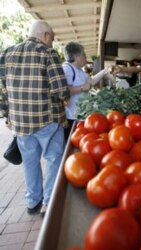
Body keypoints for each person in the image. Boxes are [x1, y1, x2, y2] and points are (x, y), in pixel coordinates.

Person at [0, 20, 70, 217]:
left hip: (21, 122)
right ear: (46, 36)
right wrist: (65, 97)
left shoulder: (7, 53)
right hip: (47, 119)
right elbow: (60, 89)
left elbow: (3, 91)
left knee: (30, 162)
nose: (52, 44)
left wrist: (7, 115)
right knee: (53, 159)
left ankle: (32, 201)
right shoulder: (47, 53)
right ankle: (49, 202)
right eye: (52, 40)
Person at [62, 42, 110, 139]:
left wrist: (105, 71)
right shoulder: (67, 68)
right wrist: (82, 88)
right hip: (71, 118)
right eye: (84, 54)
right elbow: (64, 91)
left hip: (81, 116)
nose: (85, 57)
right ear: (76, 56)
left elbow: (91, 81)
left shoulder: (79, 70)